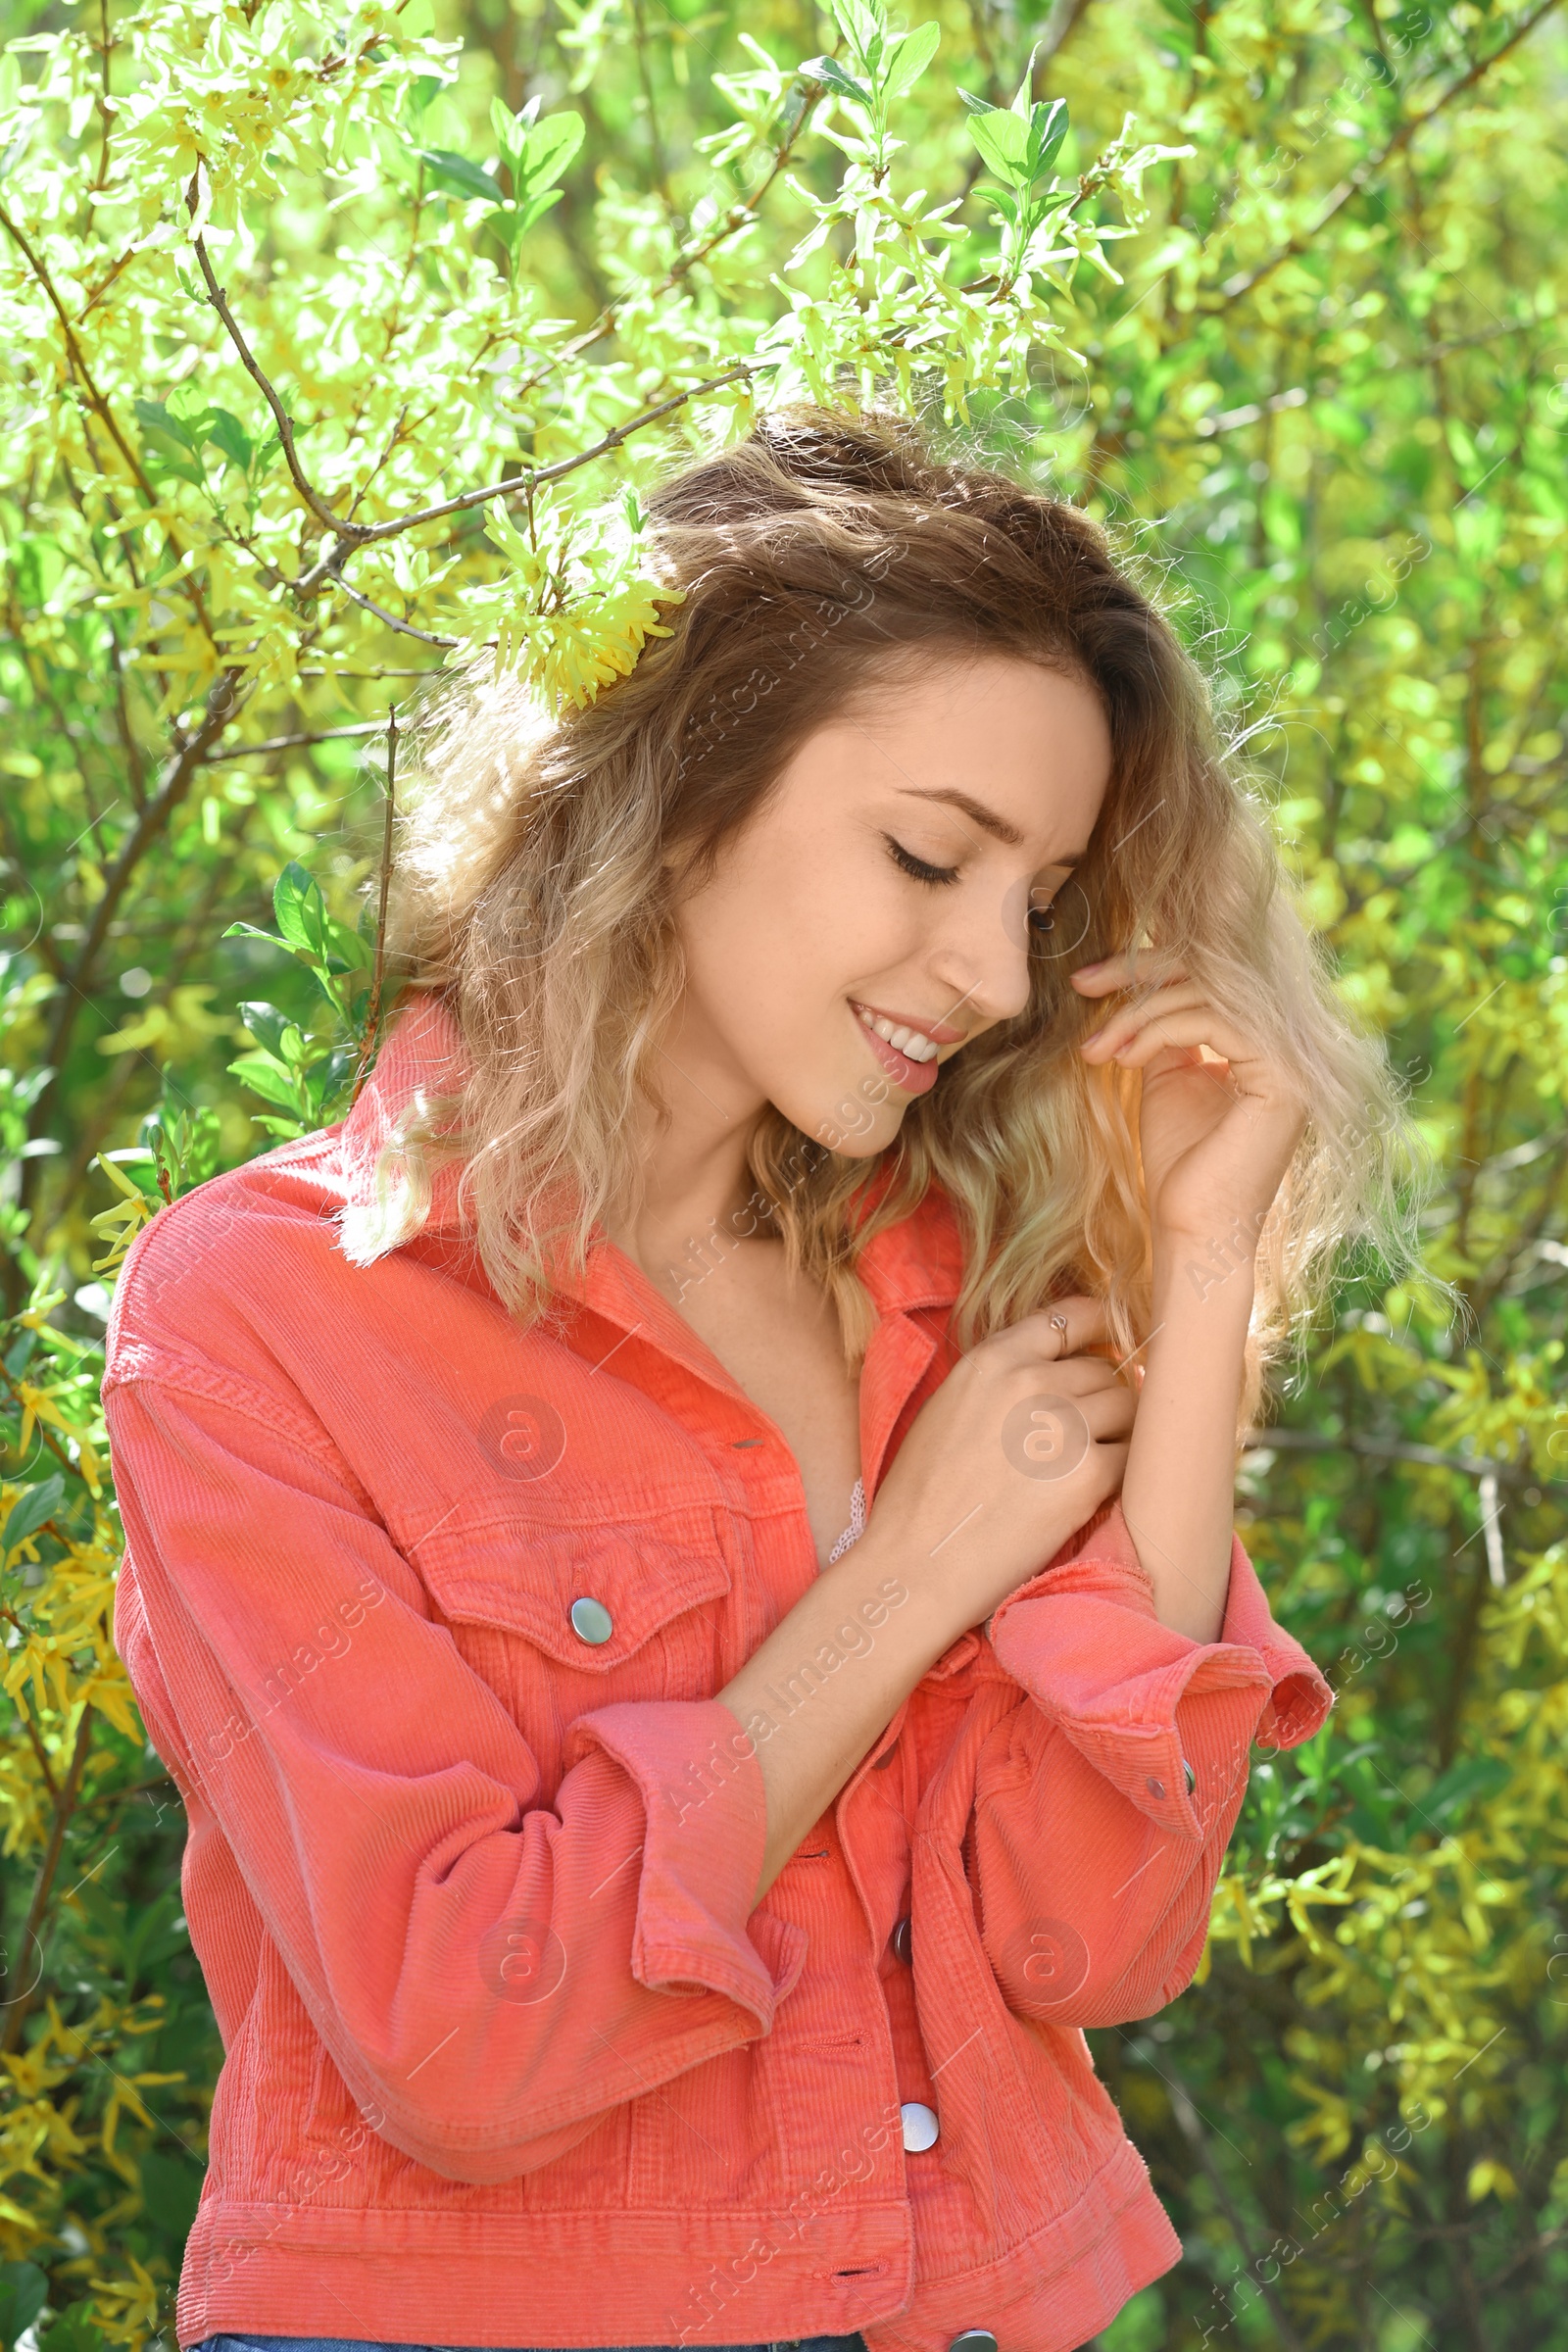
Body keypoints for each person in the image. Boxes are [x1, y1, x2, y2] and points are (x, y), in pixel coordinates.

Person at [104, 406, 1415, 2352]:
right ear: (680, 775)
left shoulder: (952, 1299)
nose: (985, 971)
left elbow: (1095, 1939)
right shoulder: (263, 1312)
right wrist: (904, 1581)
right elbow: (460, 2038)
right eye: (926, 856)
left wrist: (1203, 1269)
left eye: (1036, 905)